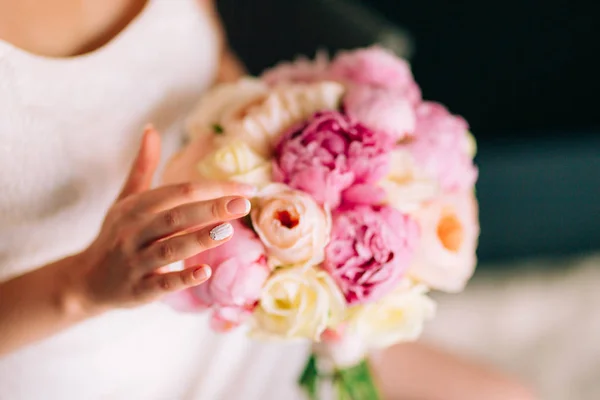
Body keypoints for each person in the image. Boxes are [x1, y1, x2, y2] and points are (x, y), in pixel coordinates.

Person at [0, 1, 534, 399]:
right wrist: (82, 285)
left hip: (239, 319)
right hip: (68, 358)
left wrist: (343, 175)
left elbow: (216, 77)